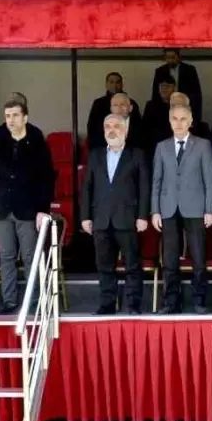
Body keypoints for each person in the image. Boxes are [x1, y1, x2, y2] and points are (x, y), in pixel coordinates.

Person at [0, 99, 54, 315]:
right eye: (7, 116)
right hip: (2, 207)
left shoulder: (36, 139)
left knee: (31, 256)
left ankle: (34, 302)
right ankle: (9, 301)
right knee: (6, 256)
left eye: (15, 115)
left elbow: (46, 177)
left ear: (25, 117)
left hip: (28, 208)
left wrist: (42, 208)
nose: (11, 120)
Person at [151, 103, 212, 314]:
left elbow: (210, 180)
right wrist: (155, 210)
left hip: (196, 207)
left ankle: (199, 300)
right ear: (169, 121)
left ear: (190, 121)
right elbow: (156, 181)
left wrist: (210, 209)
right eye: (174, 119)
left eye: (183, 119)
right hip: (168, 207)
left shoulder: (203, 145)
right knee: (170, 259)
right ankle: (171, 301)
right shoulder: (162, 147)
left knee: (198, 257)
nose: (178, 123)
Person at [82, 115, 150, 315]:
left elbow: (144, 188)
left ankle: (133, 305)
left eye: (117, 126)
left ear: (126, 131)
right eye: (107, 126)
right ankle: (107, 304)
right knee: (104, 266)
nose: (112, 130)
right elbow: (86, 187)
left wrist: (142, 216)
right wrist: (85, 216)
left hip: (127, 218)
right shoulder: (95, 155)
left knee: (132, 265)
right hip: (101, 219)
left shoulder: (137, 155)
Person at [86, 71, 142, 150]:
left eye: (117, 82)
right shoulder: (98, 104)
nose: (114, 85)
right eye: (111, 82)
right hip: (103, 147)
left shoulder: (131, 103)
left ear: (122, 84)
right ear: (106, 84)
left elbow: (138, 129)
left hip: (128, 148)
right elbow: (92, 128)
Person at [151, 49, 203, 123]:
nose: (170, 60)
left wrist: (196, 117)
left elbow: (196, 94)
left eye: (173, 57)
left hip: (185, 108)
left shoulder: (189, 70)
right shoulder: (160, 71)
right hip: (165, 111)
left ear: (179, 57)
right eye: (168, 57)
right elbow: (155, 94)